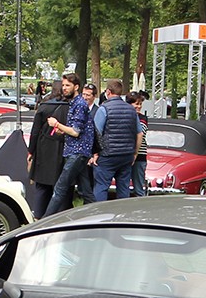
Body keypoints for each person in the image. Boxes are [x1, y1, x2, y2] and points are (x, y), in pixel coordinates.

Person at [45, 78, 97, 215]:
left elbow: (75, 131)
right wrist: (63, 131)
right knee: (86, 191)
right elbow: (77, 130)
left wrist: (56, 124)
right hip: (78, 152)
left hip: (77, 152)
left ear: (76, 87)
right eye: (63, 85)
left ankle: (45, 220)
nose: (64, 88)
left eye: (68, 85)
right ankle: (97, 216)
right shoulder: (75, 103)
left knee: (60, 188)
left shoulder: (79, 104)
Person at [27, 75, 75, 216]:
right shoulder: (71, 107)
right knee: (62, 186)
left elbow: (35, 131)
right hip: (64, 147)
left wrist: (31, 151)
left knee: (42, 185)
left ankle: (39, 214)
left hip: (44, 148)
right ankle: (61, 215)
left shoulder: (44, 106)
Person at [92, 80, 142, 201]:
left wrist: (95, 153)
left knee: (101, 186)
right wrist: (135, 153)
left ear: (108, 92)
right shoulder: (131, 110)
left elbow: (96, 132)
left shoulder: (104, 109)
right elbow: (139, 134)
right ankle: (122, 214)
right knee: (123, 188)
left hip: (108, 155)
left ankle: (99, 214)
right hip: (126, 155)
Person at [128, 90, 150, 196]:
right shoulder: (125, 116)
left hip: (139, 156)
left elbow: (140, 133)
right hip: (126, 155)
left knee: (138, 186)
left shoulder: (142, 118)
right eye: (136, 104)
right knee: (124, 185)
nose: (139, 106)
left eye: (140, 104)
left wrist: (135, 154)